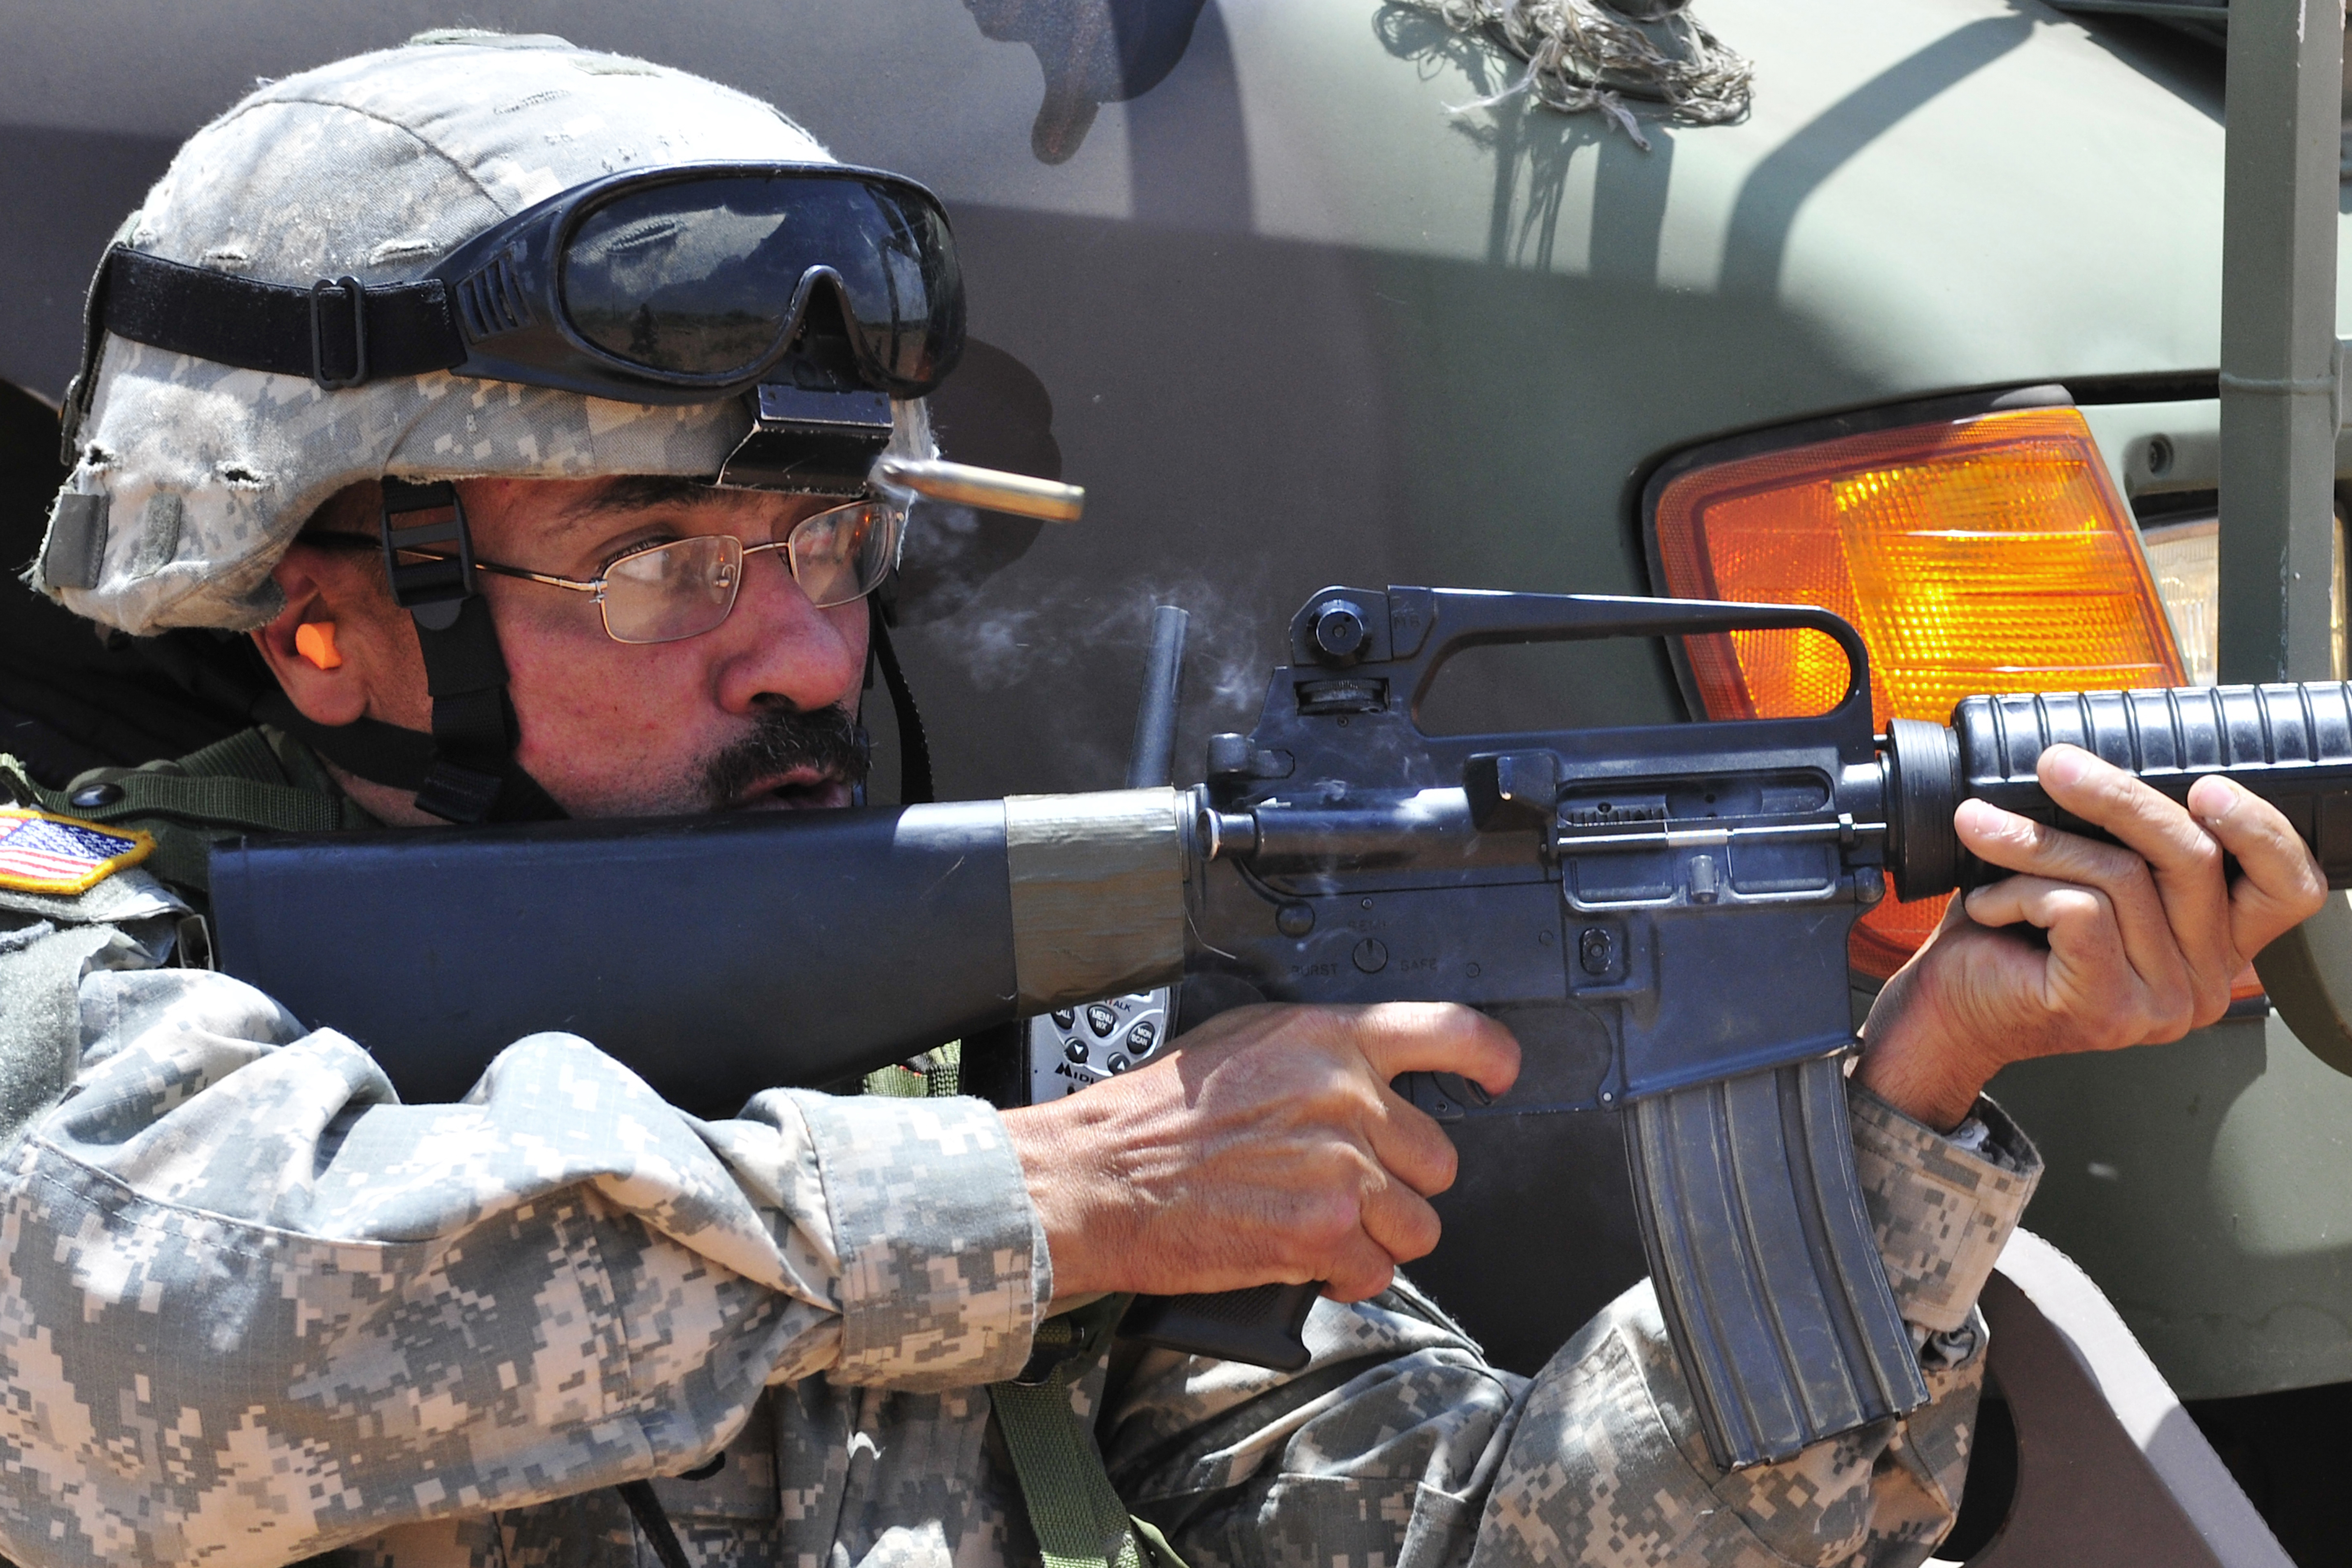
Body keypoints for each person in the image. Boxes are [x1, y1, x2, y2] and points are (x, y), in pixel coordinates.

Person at [0, 33, 2324, 1568]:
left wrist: (1905, 1113)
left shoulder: (968, 1015)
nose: (805, 646)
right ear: (321, 608)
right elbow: (133, 1341)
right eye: (665, 565)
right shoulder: (95, 972)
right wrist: (1035, 1201)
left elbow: (1505, 1542)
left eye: (827, 546)